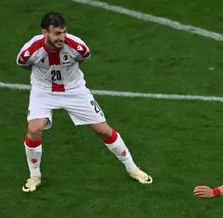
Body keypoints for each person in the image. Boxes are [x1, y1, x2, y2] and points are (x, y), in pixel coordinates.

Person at [16, 12, 152, 192]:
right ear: (45, 33)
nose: (61, 37)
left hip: (75, 90)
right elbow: (23, 64)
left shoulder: (77, 47)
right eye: (57, 33)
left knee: (103, 130)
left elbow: (84, 58)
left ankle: (133, 168)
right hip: (44, 91)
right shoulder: (30, 50)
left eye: (64, 32)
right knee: (34, 129)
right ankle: (35, 176)